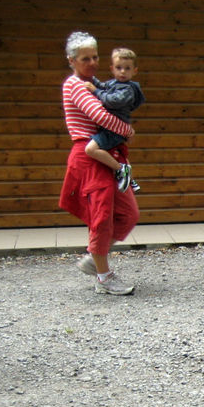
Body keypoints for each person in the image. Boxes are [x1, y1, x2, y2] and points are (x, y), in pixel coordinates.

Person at [59, 31, 140, 296]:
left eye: (95, 57)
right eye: (85, 59)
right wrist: (127, 130)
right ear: (72, 60)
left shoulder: (95, 82)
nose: (92, 62)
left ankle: (94, 259)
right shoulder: (74, 85)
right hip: (88, 156)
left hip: (109, 154)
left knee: (129, 214)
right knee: (101, 217)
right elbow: (100, 116)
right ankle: (104, 277)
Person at [82, 47, 145, 193]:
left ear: (134, 71)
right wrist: (91, 79)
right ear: (112, 69)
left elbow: (112, 101)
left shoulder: (127, 90)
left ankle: (120, 169)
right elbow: (103, 85)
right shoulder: (114, 83)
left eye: (127, 68)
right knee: (120, 153)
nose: (122, 72)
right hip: (110, 128)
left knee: (90, 149)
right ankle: (131, 179)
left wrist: (95, 91)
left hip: (114, 130)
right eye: (119, 68)